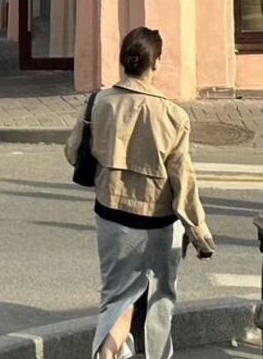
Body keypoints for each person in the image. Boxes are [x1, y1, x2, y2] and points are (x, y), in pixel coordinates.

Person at [65, 27, 215, 359]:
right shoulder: (173, 115)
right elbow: (182, 181)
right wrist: (200, 234)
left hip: (111, 214)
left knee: (117, 296)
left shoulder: (99, 101)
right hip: (157, 222)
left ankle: (108, 348)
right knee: (159, 300)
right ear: (156, 63)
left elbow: (74, 153)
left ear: (124, 59)